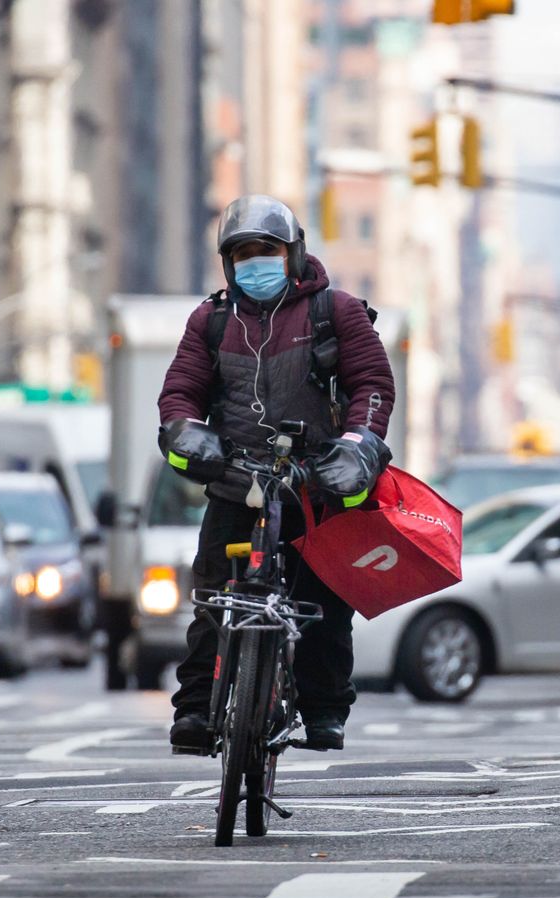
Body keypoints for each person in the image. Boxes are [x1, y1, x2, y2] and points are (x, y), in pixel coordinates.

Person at [158, 194, 395, 754]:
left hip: (315, 485)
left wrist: (358, 444)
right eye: (241, 253)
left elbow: (373, 386)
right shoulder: (210, 320)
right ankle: (195, 711)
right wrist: (185, 430)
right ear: (226, 263)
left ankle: (324, 708)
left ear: (293, 253)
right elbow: (181, 392)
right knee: (214, 599)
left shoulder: (336, 311)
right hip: (235, 483)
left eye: (266, 250)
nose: (254, 262)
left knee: (324, 602)